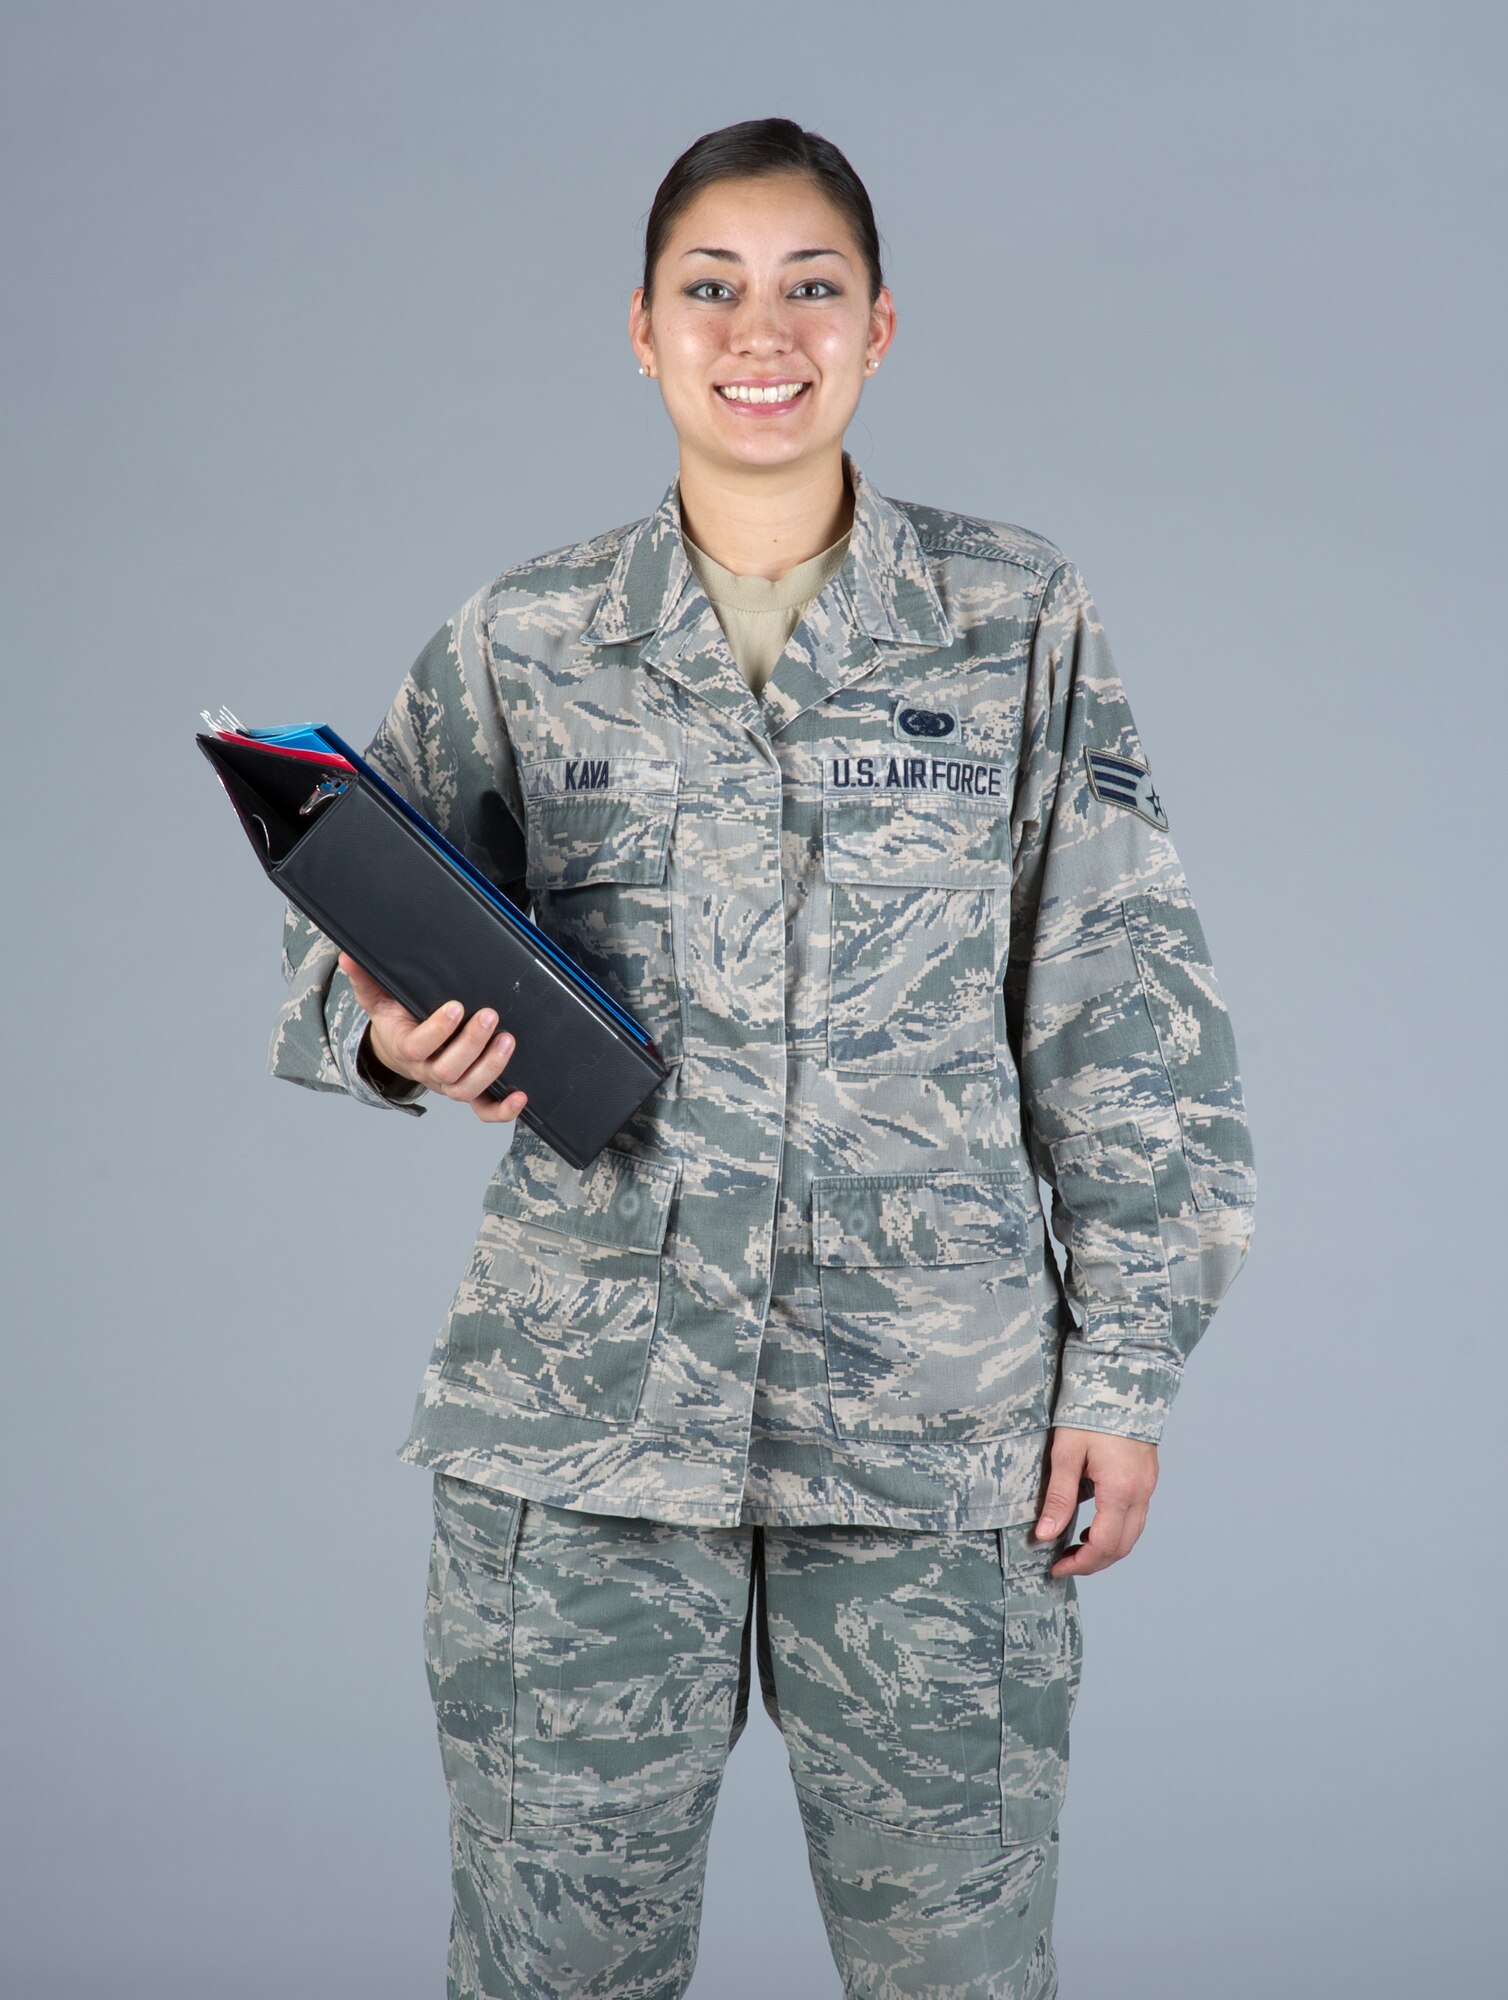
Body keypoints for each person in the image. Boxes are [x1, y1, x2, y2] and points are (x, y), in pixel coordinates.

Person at [267, 117, 1256, 2000]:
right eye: (709, 287)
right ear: (641, 329)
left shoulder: (1011, 618)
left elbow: (1127, 1011)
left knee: (958, 1971)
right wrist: (393, 1035)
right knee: (552, 1975)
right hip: (584, 1435)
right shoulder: (531, 634)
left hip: (930, 1438)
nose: (760, 330)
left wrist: (1124, 1374)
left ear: (879, 326)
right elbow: (343, 931)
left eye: (812, 286)